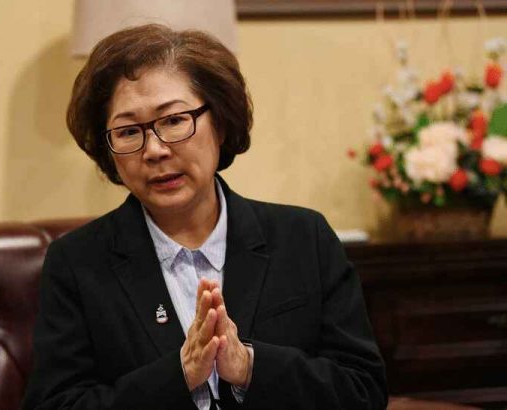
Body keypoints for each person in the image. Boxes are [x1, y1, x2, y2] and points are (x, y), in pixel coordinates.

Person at [22, 24, 387, 410]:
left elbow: (363, 390)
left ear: (221, 123)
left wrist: (248, 366)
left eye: (174, 120)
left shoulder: (303, 238)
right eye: (128, 132)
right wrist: (179, 375)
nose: (155, 150)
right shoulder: (77, 264)